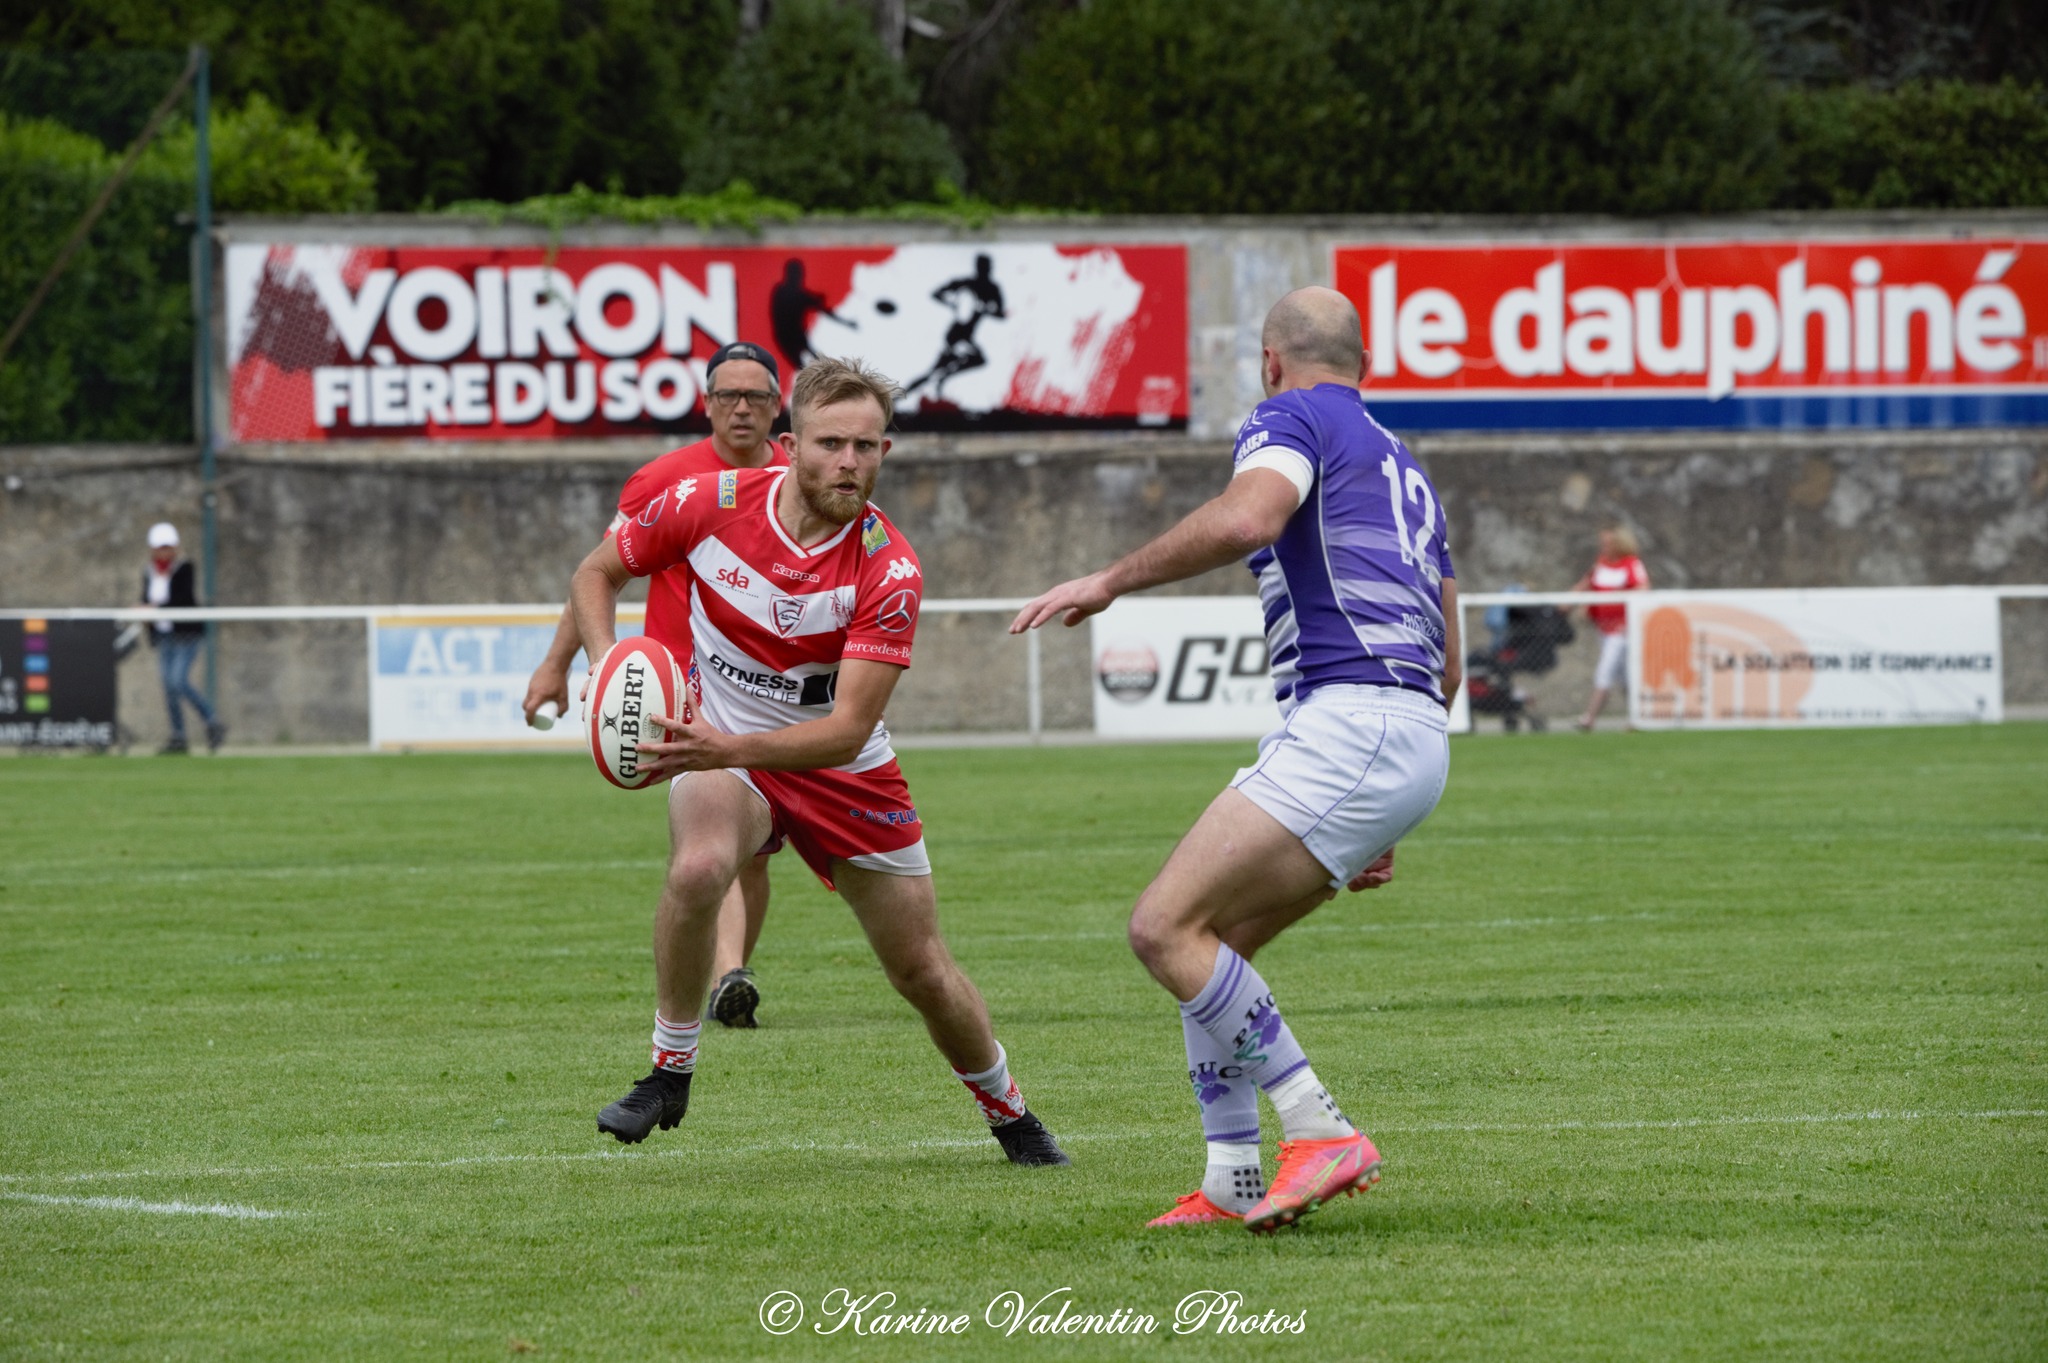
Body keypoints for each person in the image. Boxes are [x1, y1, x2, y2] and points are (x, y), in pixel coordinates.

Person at [1011, 286, 1459, 1233]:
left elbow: (1251, 517)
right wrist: (1387, 804)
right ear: (1364, 365)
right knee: (1216, 947)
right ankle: (1233, 1178)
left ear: (1270, 361)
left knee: (1161, 927)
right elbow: (1446, 648)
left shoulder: (1290, 414)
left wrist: (1109, 580)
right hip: (1406, 730)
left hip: (1353, 720)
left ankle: (1319, 1127)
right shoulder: (1405, 467)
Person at [569, 357, 1068, 1166]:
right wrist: (607, 675)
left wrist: (720, 744)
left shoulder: (888, 567)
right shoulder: (707, 504)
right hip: (724, 749)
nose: (849, 462)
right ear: (788, 443)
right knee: (699, 869)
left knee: (921, 969)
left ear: (885, 453)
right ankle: (669, 1070)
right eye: (831, 443)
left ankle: (1011, 1113)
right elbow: (597, 572)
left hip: (841, 770)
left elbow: (844, 730)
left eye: (866, 447)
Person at [524, 341, 787, 1027]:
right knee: (711, 837)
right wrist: (567, 662)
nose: (740, 407)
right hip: (681, 695)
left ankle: (729, 972)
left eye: (754, 396)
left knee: (753, 855)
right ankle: (728, 973)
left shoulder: (801, 480)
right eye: (727, 395)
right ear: (705, 403)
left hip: (766, 693)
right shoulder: (663, 480)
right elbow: (601, 571)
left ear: (776, 406)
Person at [142, 522, 225, 754]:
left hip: (186, 635)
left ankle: (212, 720)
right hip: (164, 636)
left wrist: (152, 608)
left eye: (168, 547)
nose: (164, 552)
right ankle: (178, 736)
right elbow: (146, 599)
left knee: (178, 681)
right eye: (160, 547)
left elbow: (181, 599)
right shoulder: (148, 572)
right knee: (168, 686)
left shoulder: (184, 568)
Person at [1570, 525, 1649, 732]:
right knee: (1624, 677)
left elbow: (1642, 590)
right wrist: (1575, 603)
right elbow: (1586, 585)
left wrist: (1628, 619)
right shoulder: (1601, 564)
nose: (1604, 547)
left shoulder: (1631, 564)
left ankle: (1589, 718)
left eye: (1608, 543)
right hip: (1602, 629)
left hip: (1621, 632)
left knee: (1605, 671)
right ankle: (1638, 717)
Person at [905, 254, 1006, 403]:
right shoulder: (966, 284)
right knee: (973, 360)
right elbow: (937, 293)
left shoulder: (993, 288)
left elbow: (1001, 314)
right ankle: (936, 381)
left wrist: (986, 309)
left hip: (967, 335)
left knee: (936, 371)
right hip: (956, 335)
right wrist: (952, 303)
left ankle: (934, 382)